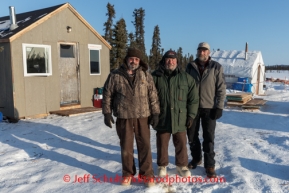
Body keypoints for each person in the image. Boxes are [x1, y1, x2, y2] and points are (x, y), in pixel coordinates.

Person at [102, 47, 160, 187]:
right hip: (124, 116)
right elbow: (107, 94)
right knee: (126, 147)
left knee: (145, 145)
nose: (133, 61)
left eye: (136, 59)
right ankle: (127, 174)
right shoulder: (115, 75)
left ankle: (147, 175)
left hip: (142, 116)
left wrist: (156, 113)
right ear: (126, 59)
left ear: (139, 61)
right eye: (131, 58)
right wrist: (107, 112)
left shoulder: (146, 75)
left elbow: (153, 95)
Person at [151, 49, 199, 178]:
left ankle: (181, 165)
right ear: (164, 60)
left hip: (180, 117)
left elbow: (193, 99)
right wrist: (152, 115)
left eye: (173, 59)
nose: (170, 61)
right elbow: (148, 97)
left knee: (181, 143)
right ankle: (162, 165)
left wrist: (191, 116)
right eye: (168, 59)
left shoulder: (186, 78)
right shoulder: (155, 77)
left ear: (177, 61)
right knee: (162, 143)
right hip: (162, 117)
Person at [186, 42, 226, 178]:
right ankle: (196, 158)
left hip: (210, 108)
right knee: (192, 135)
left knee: (208, 137)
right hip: (193, 107)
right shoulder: (190, 66)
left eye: (205, 50)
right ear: (197, 51)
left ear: (209, 52)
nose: (202, 53)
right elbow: (185, 86)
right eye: (200, 50)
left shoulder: (216, 67)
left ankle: (210, 165)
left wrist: (219, 106)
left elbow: (221, 88)